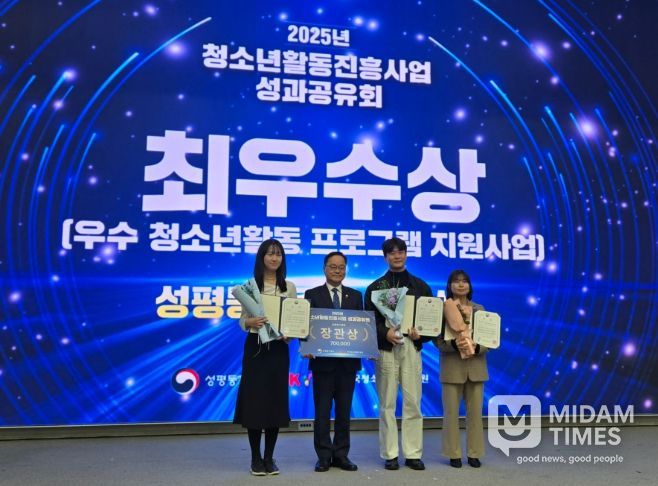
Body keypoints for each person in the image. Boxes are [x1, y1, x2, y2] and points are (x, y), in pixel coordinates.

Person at [364, 237, 432, 471]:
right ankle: (390, 454)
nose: (397, 256)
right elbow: (369, 321)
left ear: (406, 254)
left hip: (411, 346)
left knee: (413, 401)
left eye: (401, 251)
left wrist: (420, 334)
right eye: (392, 252)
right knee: (387, 403)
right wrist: (385, 333)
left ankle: (413, 454)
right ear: (385, 257)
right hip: (386, 348)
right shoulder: (375, 287)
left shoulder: (420, 286)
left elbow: (431, 319)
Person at [233, 239, 297, 476]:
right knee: (255, 402)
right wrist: (251, 321)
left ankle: (269, 457)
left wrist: (291, 333)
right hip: (256, 348)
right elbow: (242, 321)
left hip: (278, 349)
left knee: (274, 402)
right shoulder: (250, 287)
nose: (274, 258)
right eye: (270, 254)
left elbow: (293, 318)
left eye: (278, 254)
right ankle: (255, 458)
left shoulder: (289, 287)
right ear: (261, 258)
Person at [304, 251, 363, 473]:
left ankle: (341, 454)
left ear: (346, 270)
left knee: (344, 412)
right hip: (322, 364)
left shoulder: (355, 296)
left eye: (341, 267)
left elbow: (362, 327)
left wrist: (366, 346)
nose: (337, 271)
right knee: (322, 412)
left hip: (348, 365)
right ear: (324, 269)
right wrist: (306, 346)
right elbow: (304, 324)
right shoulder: (312, 294)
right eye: (333, 266)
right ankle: (323, 456)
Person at [437, 269, 490, 468]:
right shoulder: (444, 309)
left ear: (470, 285)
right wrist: (453, 345)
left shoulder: (480, 309)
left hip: (476, 368)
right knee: (451, 414)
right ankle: (453, 454)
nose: (461, 284)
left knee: (475, 414)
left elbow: (489, 339)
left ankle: (474, 453)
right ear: (449, 286)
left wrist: (477, 348)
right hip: (452, 368)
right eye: (456, 281)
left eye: (464, 281)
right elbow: (437, 340)